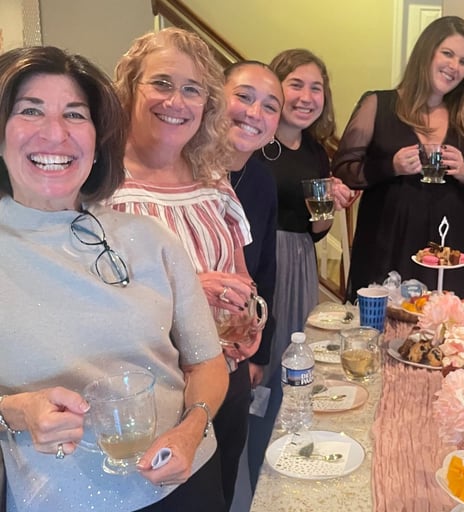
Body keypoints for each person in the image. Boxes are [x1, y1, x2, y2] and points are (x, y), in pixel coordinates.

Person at [0, 46, 228, 512]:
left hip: (186, 481)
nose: (55, 133)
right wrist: (15, 411)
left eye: (74, 114)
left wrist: (191, 431)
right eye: (30, 111)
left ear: (97, 137)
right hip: (59, 501)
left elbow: (207, 363)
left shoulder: (149, 238)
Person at [108, 28, 260, 510]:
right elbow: (93, 299)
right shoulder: (99, 187)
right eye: (161, 83)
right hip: (149, 393)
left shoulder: (214, 182)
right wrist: (192, 289)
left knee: (218, 495)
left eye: (192, 89)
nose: (176, 102)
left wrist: (248, 313)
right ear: (128, 90)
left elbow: (241, 274)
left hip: (224, 380)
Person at [250, 48, 353, 488]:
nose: (307, 97)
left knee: (296, 354)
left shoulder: (314, 150)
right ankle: (255, 456)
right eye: (296, 84)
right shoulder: (257, 141)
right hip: (261, 257)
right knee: (262, 358)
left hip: (300, 259)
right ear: (277, 87)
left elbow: (317, 230)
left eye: (316, 88)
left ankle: (289, 446)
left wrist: (330, 201)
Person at [333, 16, 464, 303]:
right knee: (380, 323)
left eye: (463, 62)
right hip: (386, 243)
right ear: (426, 52)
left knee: (443, 326)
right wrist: (390, 166)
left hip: (444, 250)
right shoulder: (378, 104)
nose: (454, 66)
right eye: (447, 53)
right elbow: (343, 170)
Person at [221, 60, 281, 492]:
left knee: (225, 470)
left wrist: (260, 353)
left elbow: (265, 270)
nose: (254, 113)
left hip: (236, 354)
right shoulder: (182, 170)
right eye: (243, 96)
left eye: (270, 106)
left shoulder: (261, 180)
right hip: (176, 356)